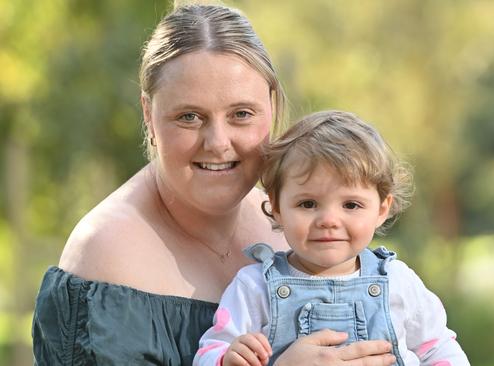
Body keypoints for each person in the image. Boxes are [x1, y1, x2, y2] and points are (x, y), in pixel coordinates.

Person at [32, 4, 397, 366]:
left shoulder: (292, 221)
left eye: (241, 114)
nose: (218, 143)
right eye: (189, 117)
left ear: (271, 106)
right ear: (148, 114)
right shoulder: (107, 254)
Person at [194, 110, 470, 366]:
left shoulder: (398, 281)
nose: (328, 220)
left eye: (351, 205)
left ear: (381, 210)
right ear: (277, 207)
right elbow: (210, 351)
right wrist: (227, 358)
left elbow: (439, 349)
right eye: (308, 204)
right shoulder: (255, 288)